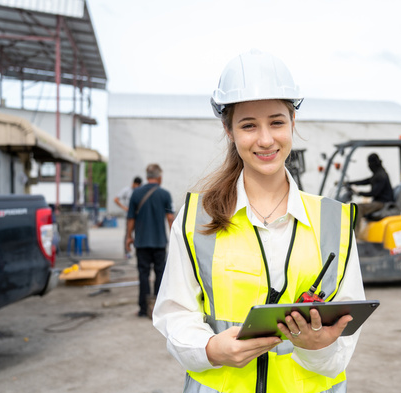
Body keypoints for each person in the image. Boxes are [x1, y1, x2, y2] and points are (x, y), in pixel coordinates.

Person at [153, 49, 365, 393]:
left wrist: (317, 348)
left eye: (276, 122)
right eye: (249, 125)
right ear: (229, 131)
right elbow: (174, 313)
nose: (265, 139)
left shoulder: (334, 222)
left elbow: (340, 352)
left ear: (293, 123)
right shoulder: (197, 218)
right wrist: (210, 349)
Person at [125, 164, 174, 317]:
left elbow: (131, 218)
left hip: (141, 242)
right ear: (159, 177)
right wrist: (174, 239)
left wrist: (128, 237)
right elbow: (170, 218)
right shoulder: (165, 194)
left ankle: (143, 309)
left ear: (147, 176)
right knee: (160, 274)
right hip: (159, 242)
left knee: (143, 275)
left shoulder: (136, 193)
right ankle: (158, 310)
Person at [347, 153, 394, 234]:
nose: (368, 166)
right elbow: (366, 181)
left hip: (382, 203)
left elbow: (374, 193)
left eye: (369, 163)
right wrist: (350, 183)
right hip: (378, 202)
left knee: (358, 208)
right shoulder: (378, 174)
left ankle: (354, 236)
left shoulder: (381, 175)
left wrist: (359, 193)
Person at [114, 176, 142, 258]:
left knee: (138, 233)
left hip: (138, 216)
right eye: (136, 185)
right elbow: (116, 199)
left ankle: (138, 251)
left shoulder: (140, 191)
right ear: (133, 183)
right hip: (129, 216)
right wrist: (124, 208)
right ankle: (126, 251)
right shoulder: (126, 191)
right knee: (128, 234)